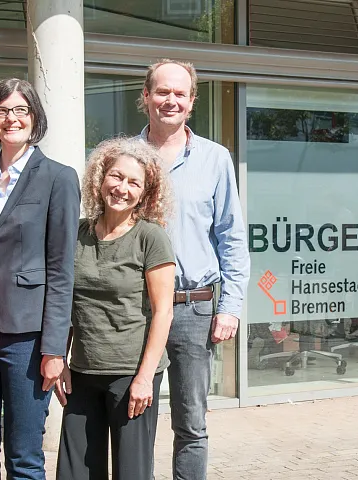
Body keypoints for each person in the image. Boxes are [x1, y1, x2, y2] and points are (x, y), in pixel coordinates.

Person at [0, 78, 80, 480]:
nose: (12, 119)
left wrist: (55, 348)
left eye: (21, 110)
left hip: (27, 338)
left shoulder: (58, 178)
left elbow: (62, 270)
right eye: (2, 110)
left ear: (34, 117)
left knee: (25, 460)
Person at [138, 59, 250, 479]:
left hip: (193, 308)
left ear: (192, 102)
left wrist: (231, 306)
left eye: (180, 94)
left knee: (191, 423)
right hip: (138, 308)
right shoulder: (124, 157)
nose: (171, 101)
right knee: (136, 415)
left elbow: (232, 238)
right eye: (162, 92)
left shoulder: (215, 159)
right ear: (145, 97)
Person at [55, 137, 175, 480]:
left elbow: (163, 311)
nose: (122, 188)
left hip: (130, 372)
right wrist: (60, 358)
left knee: (131, 473)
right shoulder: (77, 233)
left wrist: (144, 379)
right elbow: (65, 301)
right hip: (83, 370)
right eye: (116, 177)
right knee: (75, 471)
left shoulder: (150, 237)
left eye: (133, 182)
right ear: (100, 178)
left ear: (145, 193)